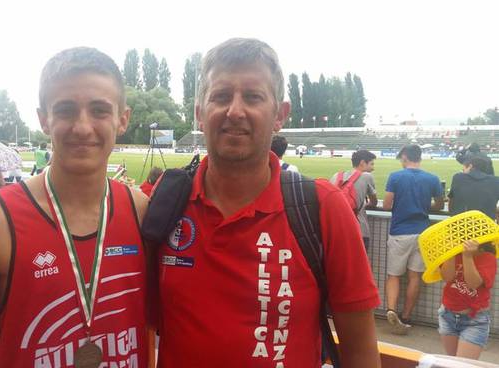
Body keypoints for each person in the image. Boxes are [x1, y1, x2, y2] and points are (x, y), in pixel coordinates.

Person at [155, 38, 380, 368]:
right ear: (200, 113)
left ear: (280, 114)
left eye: (252, 96)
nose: (234, 110)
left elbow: (360, 350)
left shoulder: (321, 207)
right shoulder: (166, 201)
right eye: (220, 96)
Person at [0, 47, 151, 368]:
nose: (83, 127)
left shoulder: (139, 209)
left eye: (99, 110)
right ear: (43, 119)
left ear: (123, 119)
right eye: (66, 110)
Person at [382, 144, 444, 334]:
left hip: (400, 231)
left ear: (406, 157)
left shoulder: (395, 176)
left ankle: (392, 310)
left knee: (393, 276)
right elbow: (440, 205)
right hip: (423, 233)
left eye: (401, 158)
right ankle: (407, 316)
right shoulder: (432, 178)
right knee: (414, 277)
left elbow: (386, 205)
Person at [438, 239, 496, 359]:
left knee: (463, 364)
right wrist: (451, 253)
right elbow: (447, 278)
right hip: (447, 315)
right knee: (452, 362)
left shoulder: (488, 257)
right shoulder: (453, 252)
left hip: (474, 320)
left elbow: (473, 283)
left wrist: (467, 256)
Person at [329, 150, 378, 250]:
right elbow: (374, 202)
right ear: (362, 163)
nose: (373, 168)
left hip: (336, 230)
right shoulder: (367, 177)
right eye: (371, 164)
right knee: (359, 264)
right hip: (358, 230)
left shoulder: (336, 176)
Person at [448, 153, 499, 219]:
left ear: (470, 166)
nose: (463, 171)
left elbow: (451, 204)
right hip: (486, 224)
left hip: (461, 224)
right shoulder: (496, 181)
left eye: (464, 169)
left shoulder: (458, 177)